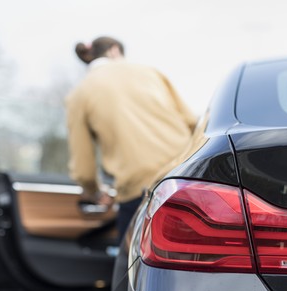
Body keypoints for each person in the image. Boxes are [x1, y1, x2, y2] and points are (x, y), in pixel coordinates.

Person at [66, 36, 197, 243]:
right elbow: (192, 123)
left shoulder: (79, 94)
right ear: (115, 51)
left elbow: (84, 169)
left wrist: (95, 191)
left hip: (138, 192)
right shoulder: (149, 72)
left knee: (131, 269)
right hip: (186, 176)